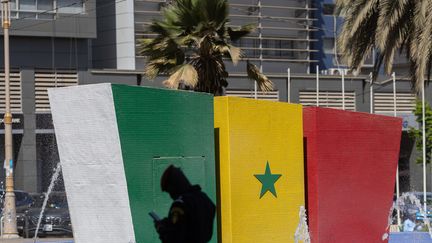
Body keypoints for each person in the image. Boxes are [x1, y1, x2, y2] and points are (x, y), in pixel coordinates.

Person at [154, 165, 216, 243]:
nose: (170, 195)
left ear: (173, 187)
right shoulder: (203, 198)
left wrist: (161, 229)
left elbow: (175, 238)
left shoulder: (180, 205)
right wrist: (170, 223)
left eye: (169, 191)